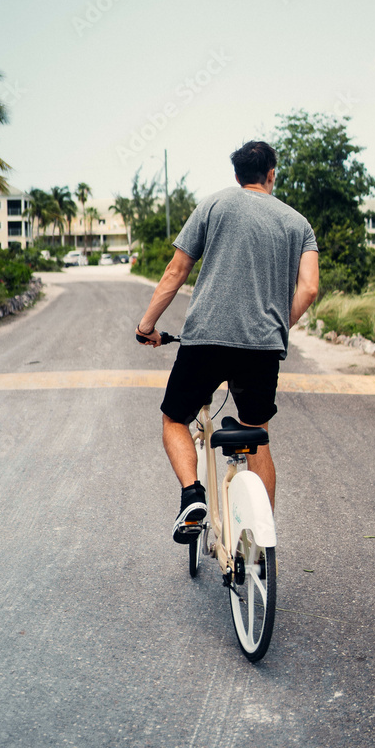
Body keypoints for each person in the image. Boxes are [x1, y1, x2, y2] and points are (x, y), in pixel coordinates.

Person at [135, 140, 319, 543]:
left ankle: (192, 496)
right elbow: (308, 289)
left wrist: (147, 325)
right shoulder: (298, 223)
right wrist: (277, 329)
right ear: (272, 174)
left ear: (237, 177)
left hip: (206, 342)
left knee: (174, 419)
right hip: (263, 348)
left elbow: (175, 270)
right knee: (257, 434)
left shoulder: (214, 205)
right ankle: (260, 542)